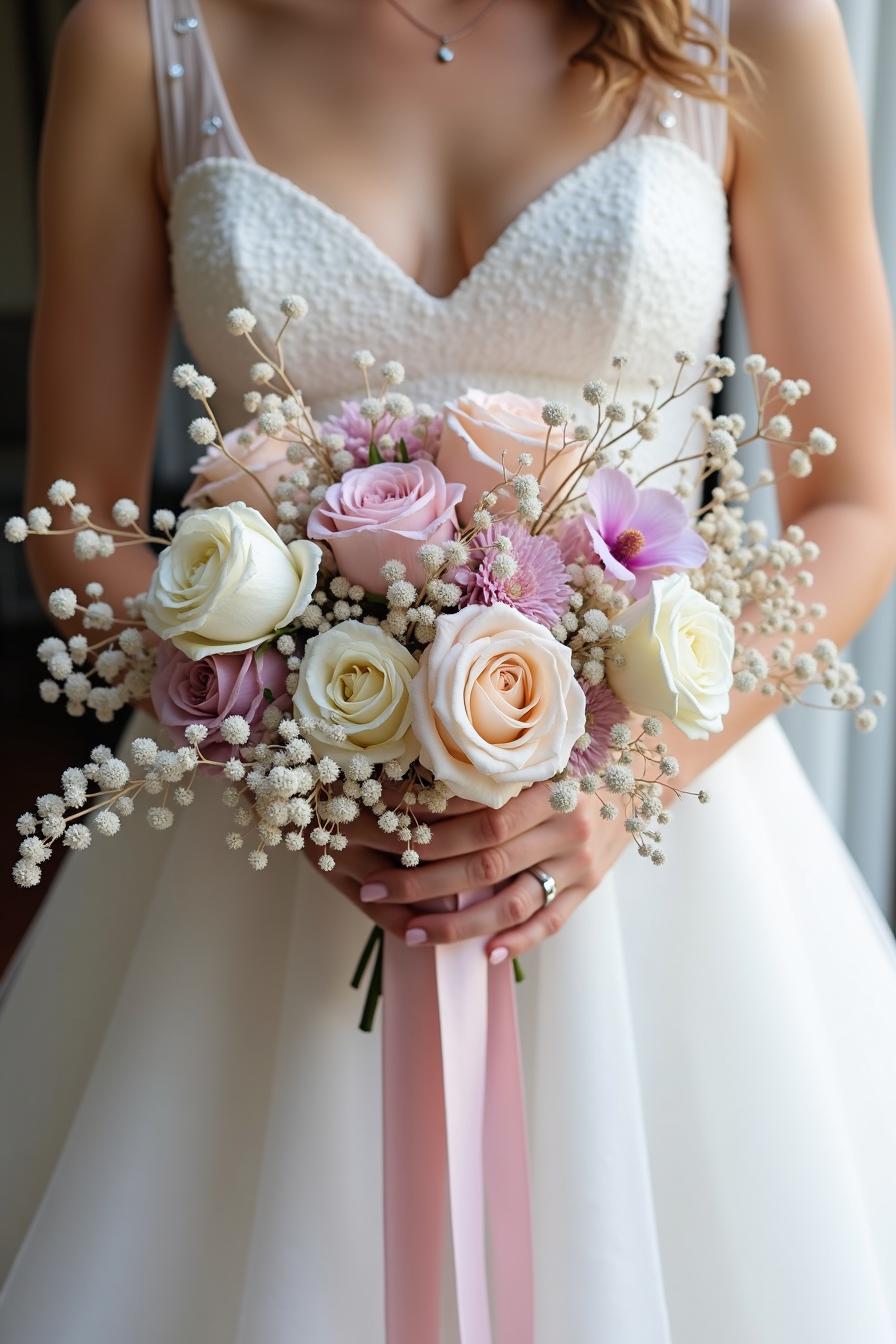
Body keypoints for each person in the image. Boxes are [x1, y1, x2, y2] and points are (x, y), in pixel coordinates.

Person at [2, 0, 896, 1339]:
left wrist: (626, 779)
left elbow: (856, 508)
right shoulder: (142, 41)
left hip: (660, 852)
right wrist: (289, 760)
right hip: (271, 854)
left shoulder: (752, 21)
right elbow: (77, 533)